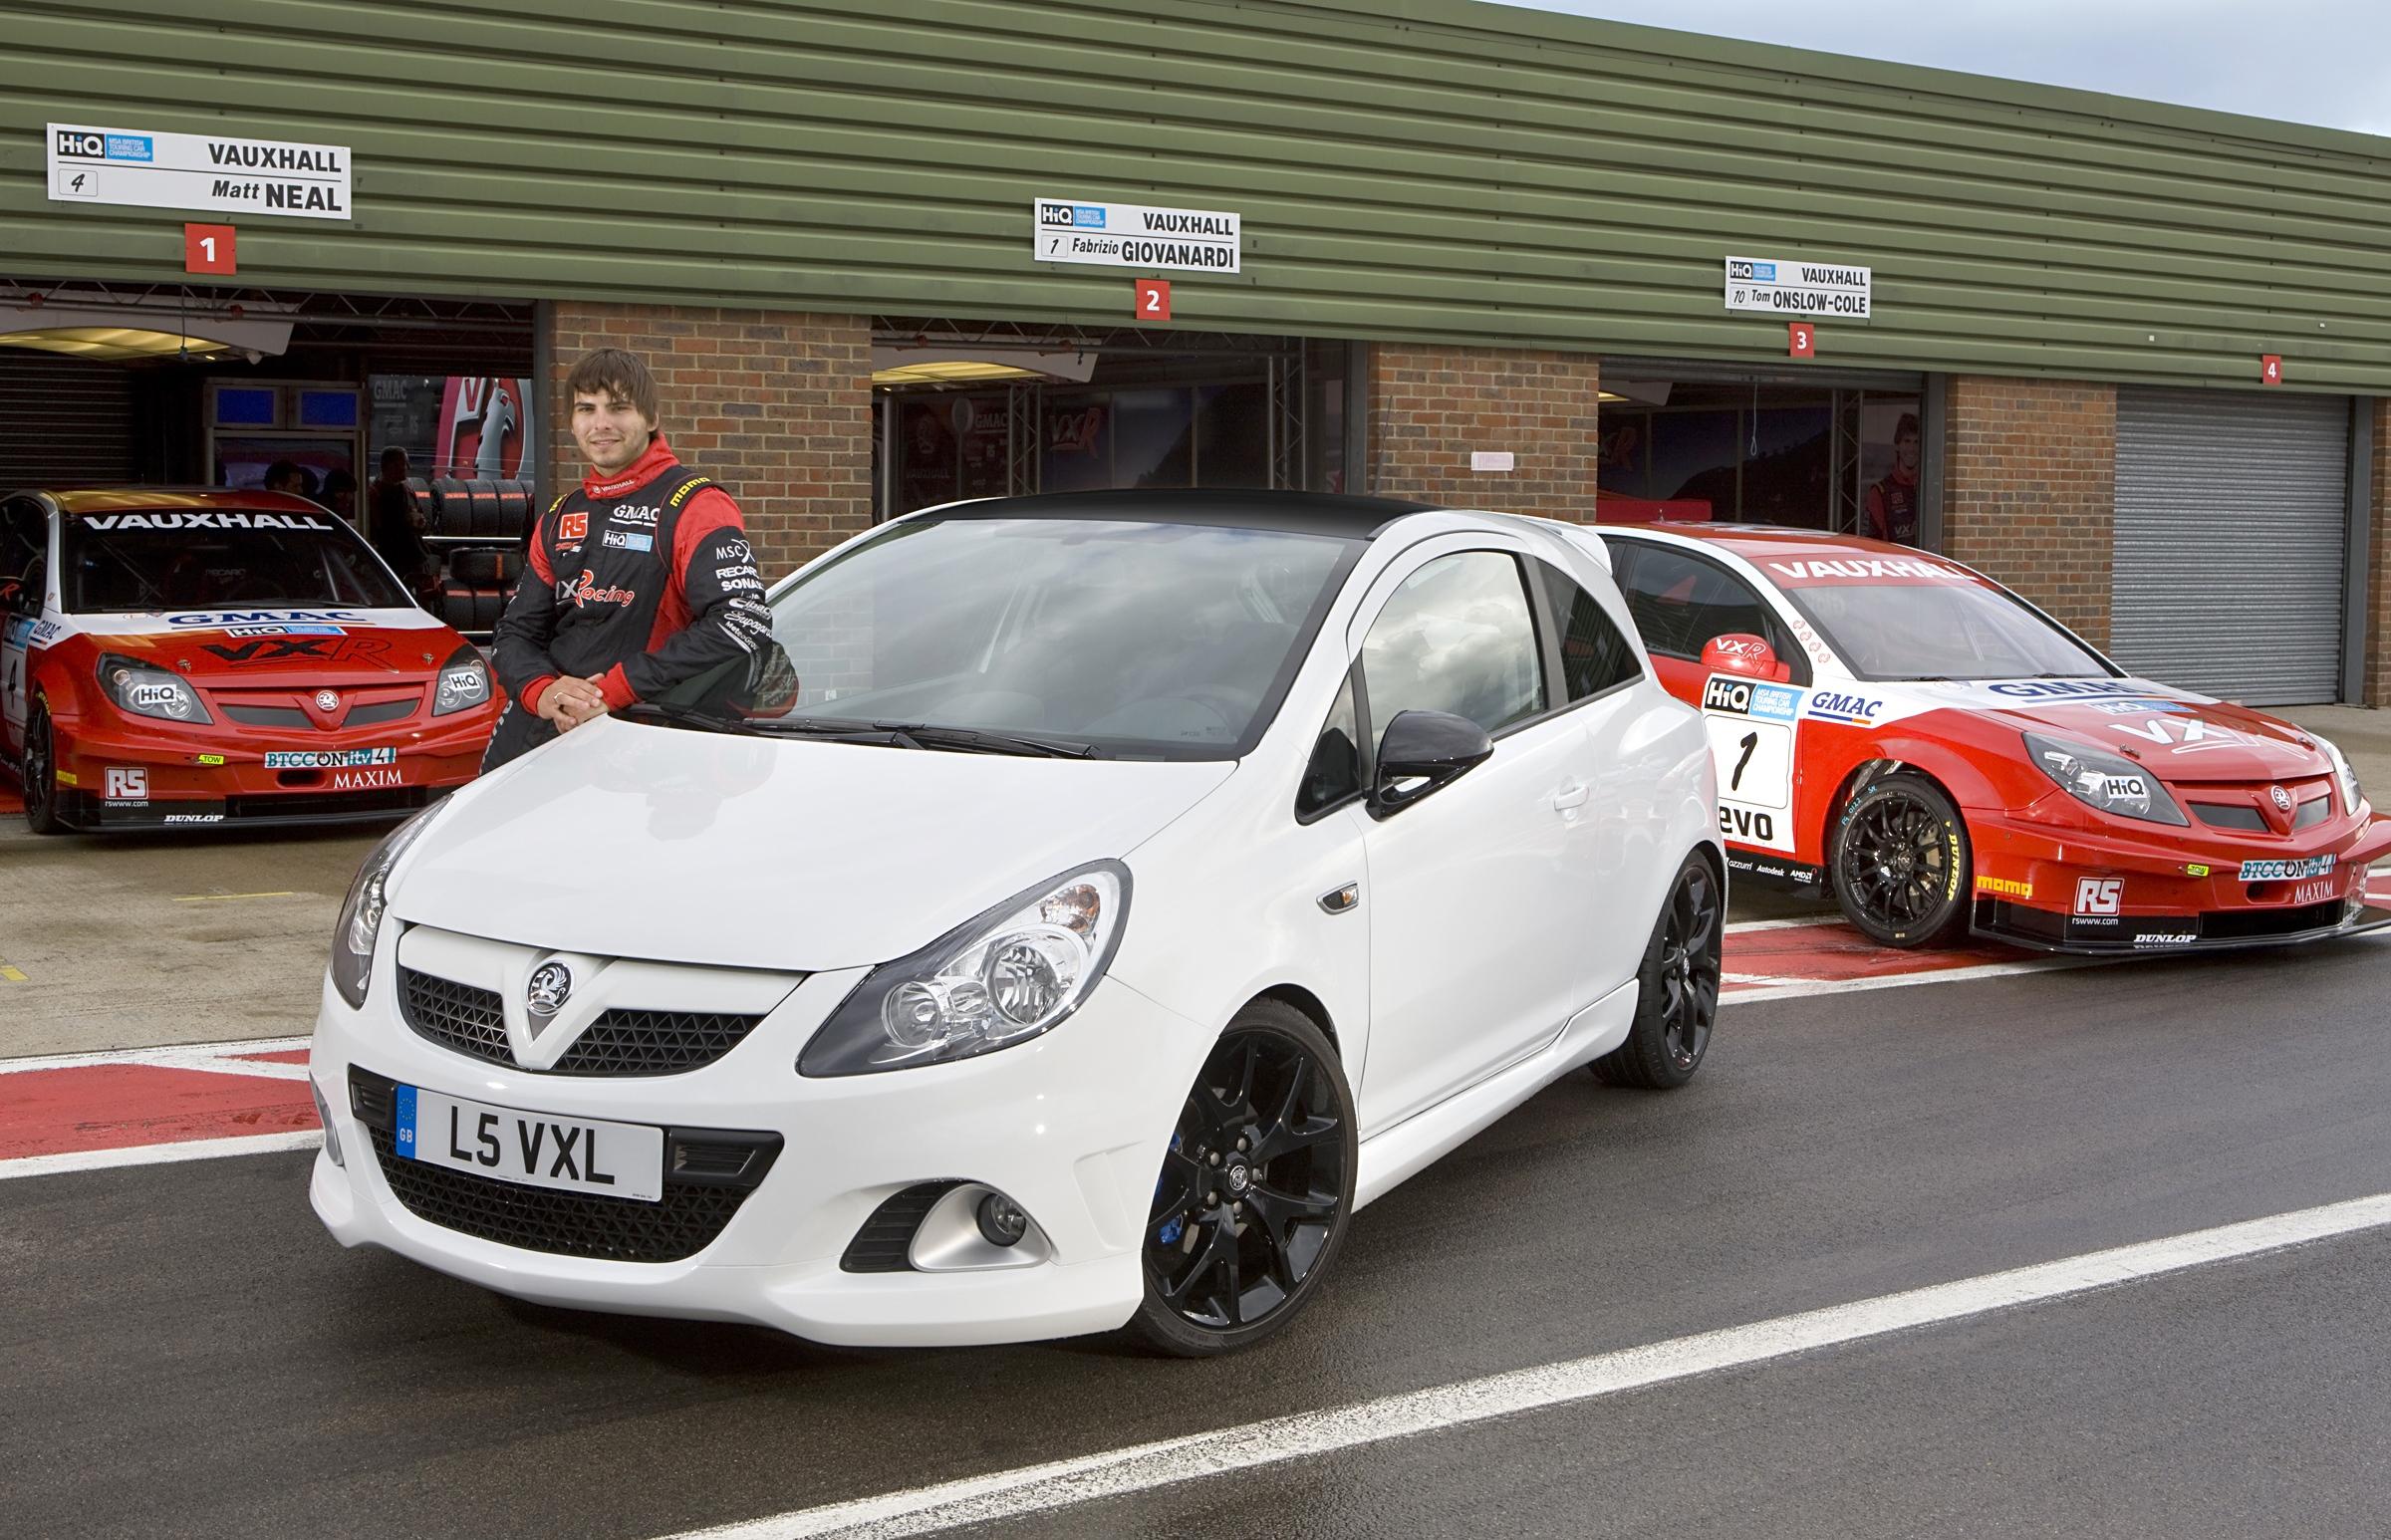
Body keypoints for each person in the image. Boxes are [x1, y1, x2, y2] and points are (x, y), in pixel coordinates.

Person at [482, 348, 772, 771]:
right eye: (587, 409)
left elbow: (744, 621)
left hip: (642, 734)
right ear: (572, 421)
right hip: (539, 728)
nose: (601, 424)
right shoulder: (560, 515)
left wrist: (616, 688)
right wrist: (543, 690)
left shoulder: (695, 505)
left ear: (651, 418)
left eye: (618, 408)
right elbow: (514, 633)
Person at [368, 447, 433, 605]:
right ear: (391, 466)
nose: (408, 468)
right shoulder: (374, 494)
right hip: (392, 562)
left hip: (415, 560)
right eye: (405, 464)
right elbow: (378, 530)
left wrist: (421, 523)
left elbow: (420, 517)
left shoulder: (407, 490)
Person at [1865, 412, 1922, 545]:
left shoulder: (1931, 489)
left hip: (1924, 563)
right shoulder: (1880, 492)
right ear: (1897, 445)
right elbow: (1870, 543)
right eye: (1907, 441)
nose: (1912, 448)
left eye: (1916, 442)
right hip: (1895, 563)